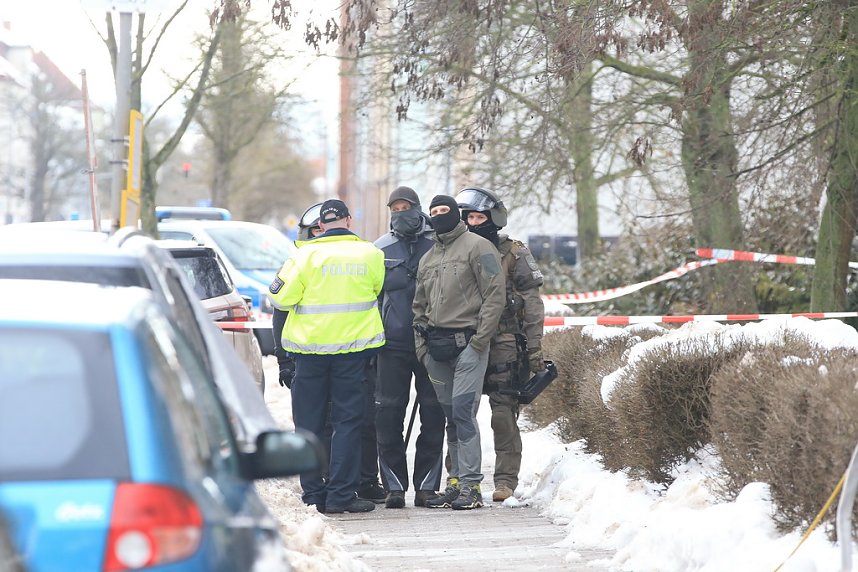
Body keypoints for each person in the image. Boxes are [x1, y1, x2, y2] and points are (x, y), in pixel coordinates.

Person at [268, 198, 385, 514]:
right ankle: (341, 496)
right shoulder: (371, 254)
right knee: (347, 422)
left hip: (309, 353)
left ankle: (313, 494)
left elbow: (279, 297)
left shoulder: (304, 255)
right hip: (353, 353)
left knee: (309, 424)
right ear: (348, 221)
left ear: (321, 225)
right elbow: (376, 289)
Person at [412, 194, 505, 510]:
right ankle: (455, 482)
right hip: (436, 350)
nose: (439, 216)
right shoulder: (428, 257)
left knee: (464, 414)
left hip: (469, 346)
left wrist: (480, 341)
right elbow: (419, 305)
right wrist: (422, 348)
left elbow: (495, 295)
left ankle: (472, 487)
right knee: (450, 415)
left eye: (444, 211)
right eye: (434, 212)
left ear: (456, 214)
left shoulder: (479, 247)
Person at [455, 187, 545, 503]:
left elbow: (533, 302)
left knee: (503, 413)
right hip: (464, 339)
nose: (473, 223)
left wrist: (534, 347)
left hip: (505, 340)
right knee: (461, 411)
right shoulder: (457, 250)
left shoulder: (515, 253)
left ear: (493, 219)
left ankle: (505, 480)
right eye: (468, 218)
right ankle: (459, 479)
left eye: (479, 217)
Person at [374, 186, 446, 509]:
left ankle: (427, 486)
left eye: (405, 206)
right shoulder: (379, 249)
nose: (400, 213)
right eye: (395, 208)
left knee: (433, 413)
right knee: (388, 413)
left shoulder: (440, 245)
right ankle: (394, 486)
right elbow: (373, 298)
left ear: (418, 208)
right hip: (392, 345)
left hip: (432, 344)